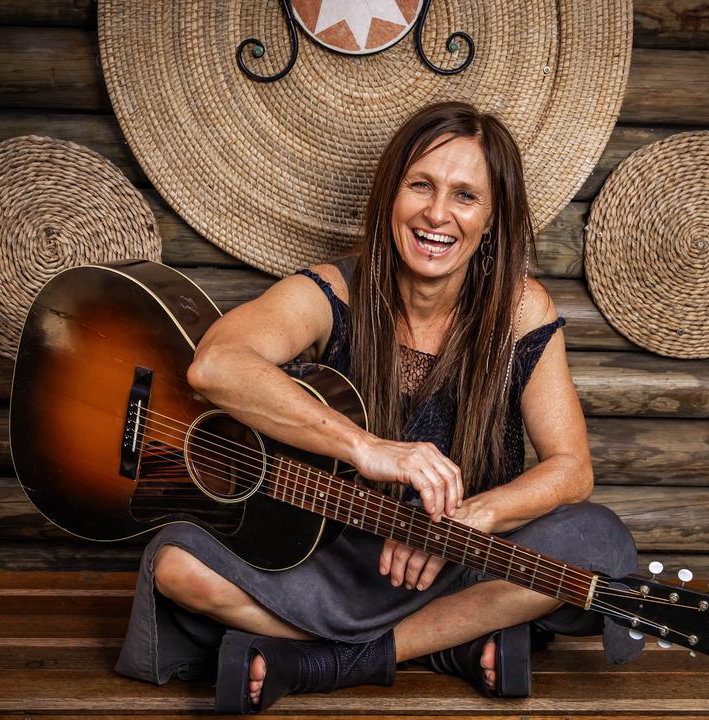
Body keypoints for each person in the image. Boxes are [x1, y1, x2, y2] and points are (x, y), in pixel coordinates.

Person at [115, 101, 642, 713]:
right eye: (421, 185)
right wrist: (367, 449)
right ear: (391, 193)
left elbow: (571, 468)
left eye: (465, 196)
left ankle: (324, 663)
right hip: (326, 561)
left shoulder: (521, 309)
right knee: (177, 565)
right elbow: (215, 367)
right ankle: (450, 644)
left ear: (493, 219)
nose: (437, 214)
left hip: (458, 561)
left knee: (595, 541)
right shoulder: (331, 291)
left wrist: (470, 520)